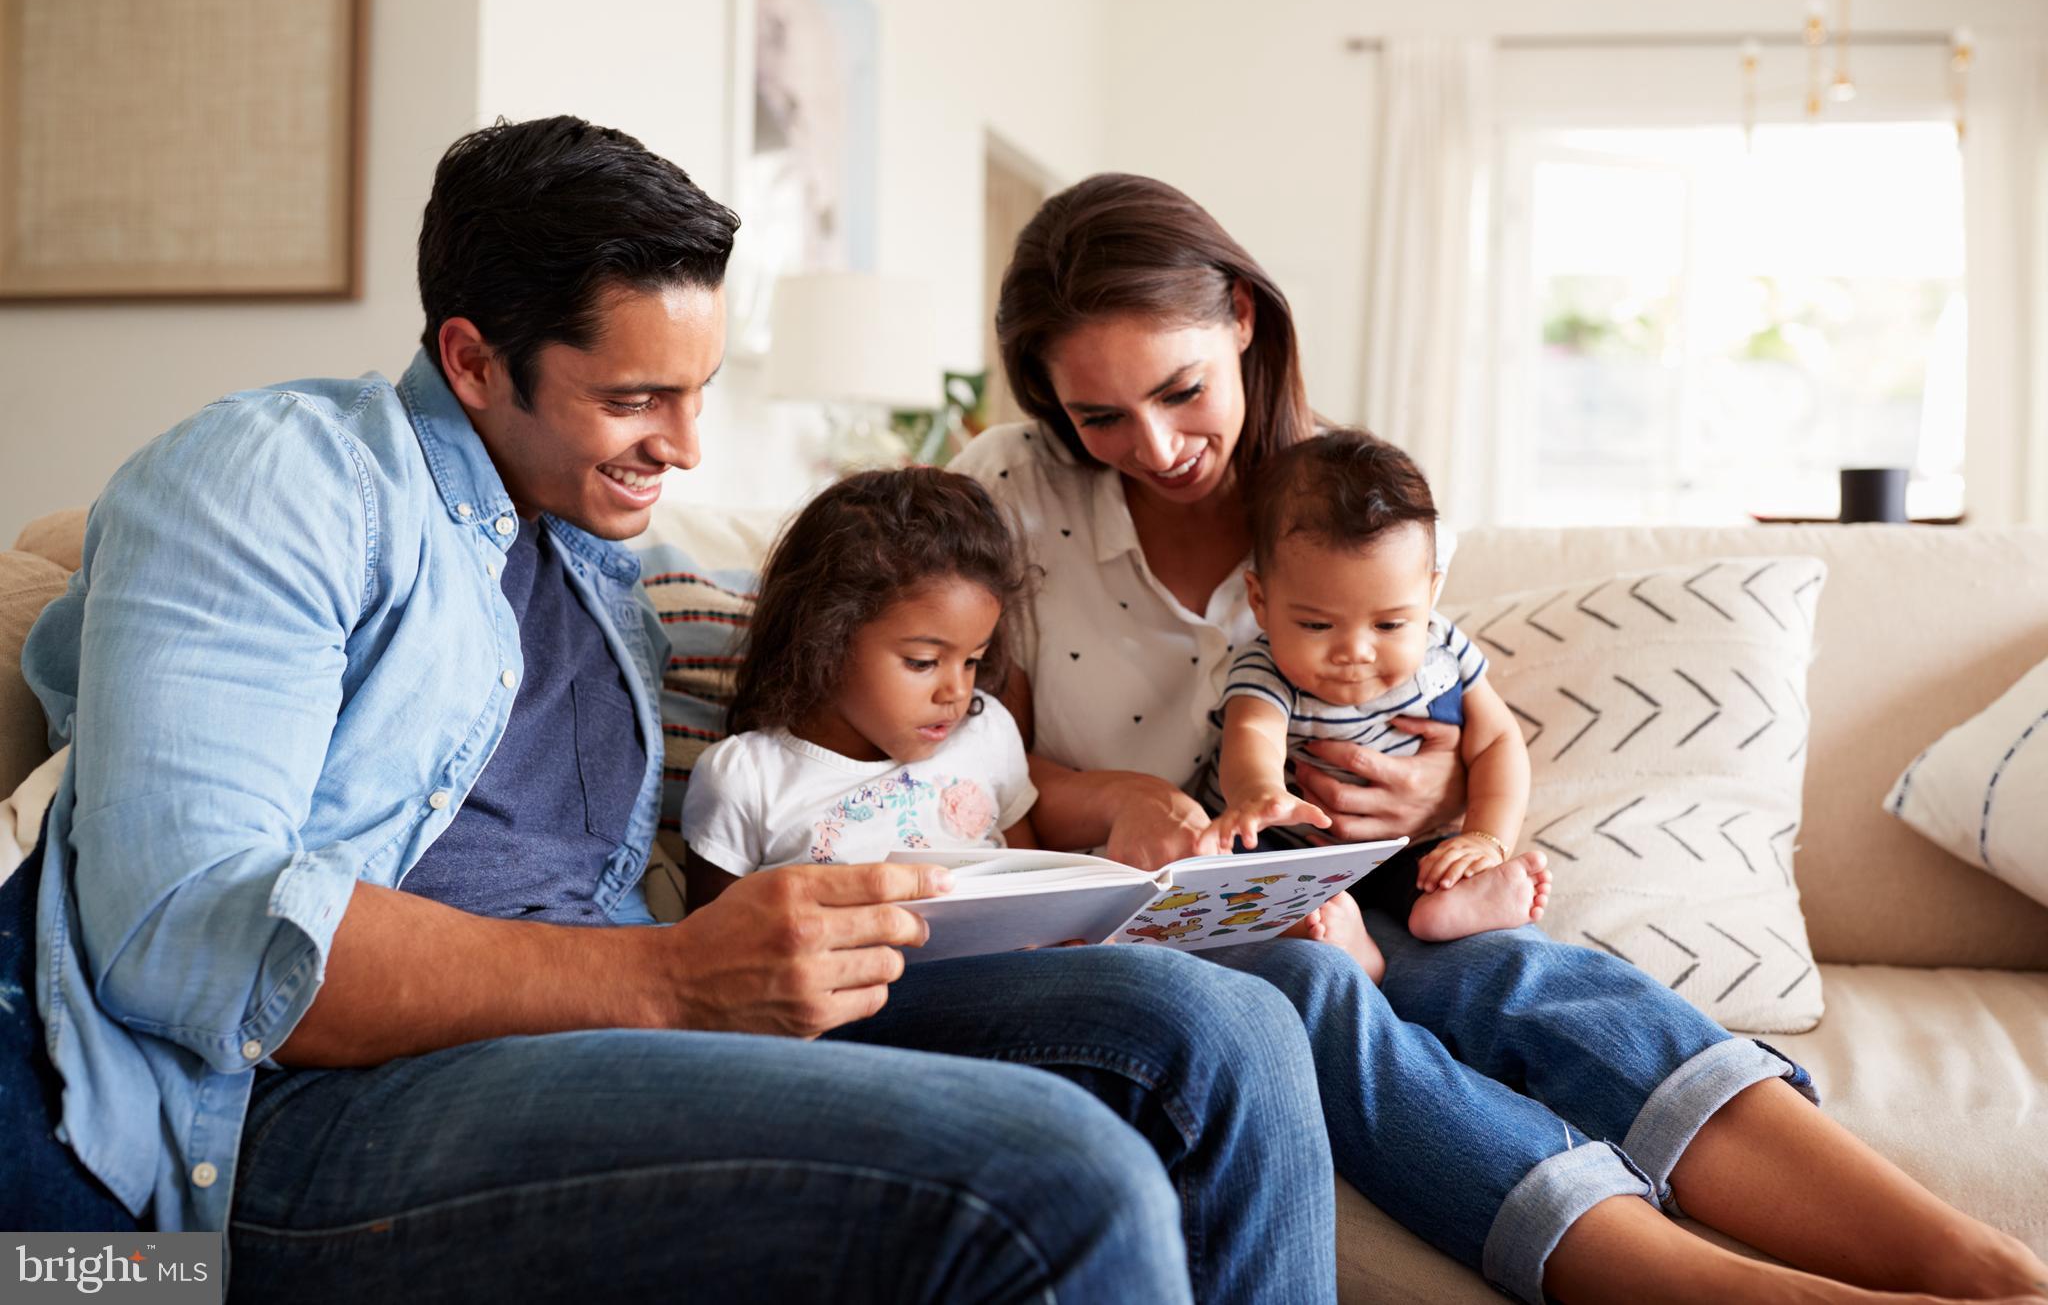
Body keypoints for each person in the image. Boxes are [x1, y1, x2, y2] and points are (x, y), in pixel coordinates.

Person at [13, 119, 1341, 1304]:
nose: (688, 445)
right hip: (324, 1110)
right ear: (474, 362)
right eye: (638, 397)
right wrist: (666, 976)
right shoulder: (277, 479)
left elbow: (845, 660)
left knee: (1222, 1031)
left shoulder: (602, 563)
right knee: (1057, 1179)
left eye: (699, 390)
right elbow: (183, 925)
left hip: (616, 1028)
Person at [951, 169, 2048, 1305]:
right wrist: (1115, 799)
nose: (1159, 445)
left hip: (1351, 874)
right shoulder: (1008, 495)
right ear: (1047, 406)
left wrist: (1427, 806)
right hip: (1141, 909)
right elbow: (973, 757)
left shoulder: (1360, 507)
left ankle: (1974, 1265)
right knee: (1305, 989)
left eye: (1180, 391)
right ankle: (1710, 1289)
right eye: (1098, 417)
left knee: (1524, 975)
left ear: (1240, 317)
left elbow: (1437, 721)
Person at [1198, 429, 1550, 982]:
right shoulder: (1266, 667)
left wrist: (1485, 837)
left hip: (1397, 849)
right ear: (1260, 601)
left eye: (1389, 624)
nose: (1354, 652)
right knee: (1234, 881)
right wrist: (1259, 793)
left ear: (1431, 595)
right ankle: (1341, 937)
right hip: (1288, 848)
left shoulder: (1443, 649)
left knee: (1436, 868)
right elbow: (1253, 733)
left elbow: (1498, 742)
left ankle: (1457, 904)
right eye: (1316, 624)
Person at [681, 467, 1040, 898]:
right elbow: (711, 944)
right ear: (824, 639)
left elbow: (1039, 883)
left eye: (973, 661)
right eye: (923, 662)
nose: (957, 692)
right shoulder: (747, 778)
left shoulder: (986, 732)